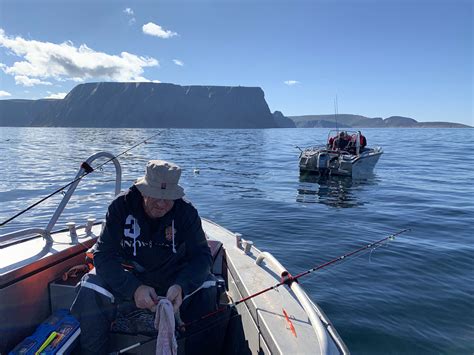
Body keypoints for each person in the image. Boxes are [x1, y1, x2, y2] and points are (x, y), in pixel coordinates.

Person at [71, 160, 216, 354]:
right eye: (156, 195)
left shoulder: (186, 212)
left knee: (208, 285)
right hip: (130, 277)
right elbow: (103, 255)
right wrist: (133, 288)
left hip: (172, 280)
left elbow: (202, 257)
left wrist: (181, 286)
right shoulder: (120, 207)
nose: (162, 203)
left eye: (169, 197)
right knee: (90, 284)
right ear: (143, 191)